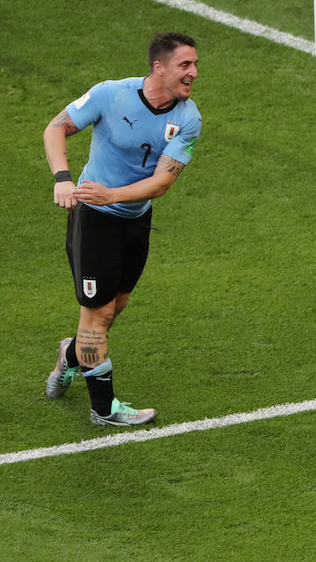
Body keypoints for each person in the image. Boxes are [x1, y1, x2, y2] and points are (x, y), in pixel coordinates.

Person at [43, 32, 202, 426]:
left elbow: (161, 183)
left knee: (115, 309)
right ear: (158, 67)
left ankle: (70, 356)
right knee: (95, 316)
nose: (194, 73)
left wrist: (111, 194)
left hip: (134, 220)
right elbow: (55, 128)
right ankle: (104, 409)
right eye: (185, 65)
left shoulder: (188, 118)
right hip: (94, 222)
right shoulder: (110, 95)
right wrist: (63, 178)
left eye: (196, 65)